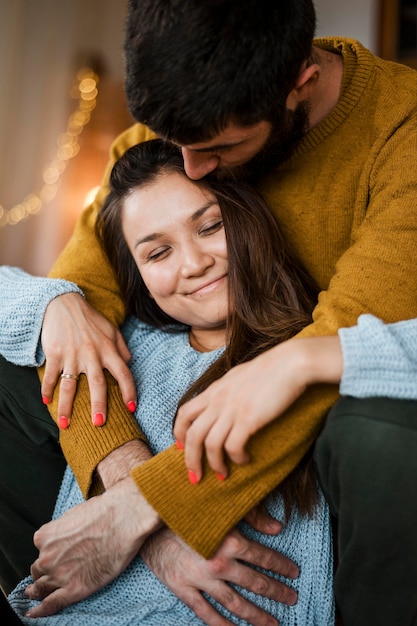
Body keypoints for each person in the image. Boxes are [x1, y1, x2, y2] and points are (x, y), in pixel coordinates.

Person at [0, 1, 416, 624]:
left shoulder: (401, 133)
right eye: (177, 146)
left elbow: (349, 344)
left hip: (328, 405)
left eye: (221, 148)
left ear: (299, 86)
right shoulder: (179, 122)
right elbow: (76, 315)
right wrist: (139, 508)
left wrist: (148, 508)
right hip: (163, 438)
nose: (190, 168)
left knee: (379, 431)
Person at [1, 139, 334, 625]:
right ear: (136, 273)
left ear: (250, 215)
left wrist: (146, 515)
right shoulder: (123, 345)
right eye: (158, 252)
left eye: (211, 225)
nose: (194, 262)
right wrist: (58, 304)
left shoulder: (309, 356)